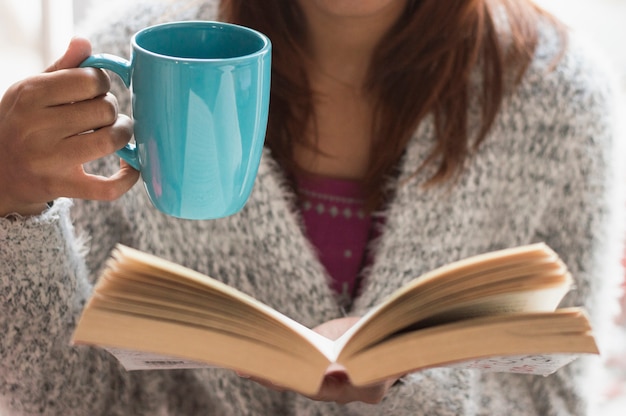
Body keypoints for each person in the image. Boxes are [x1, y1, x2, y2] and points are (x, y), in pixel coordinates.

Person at [1, 0, 624, 414]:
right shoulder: (133, 67)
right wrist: (13, 209)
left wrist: (409, 380)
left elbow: (557, 401)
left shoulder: (562, 103)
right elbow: (66, 397)